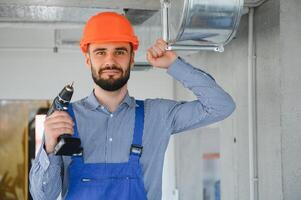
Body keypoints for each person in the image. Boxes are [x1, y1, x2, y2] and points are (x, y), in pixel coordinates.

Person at [29, 12, 235, 200]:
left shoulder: (158, 115)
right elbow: (42, 196)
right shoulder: (63, 119)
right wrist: (48, 148)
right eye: (100, 52)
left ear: (132, 59)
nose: (110, 61)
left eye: (119, 52)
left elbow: (221, 106)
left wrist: (174, 65)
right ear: (87, 59)